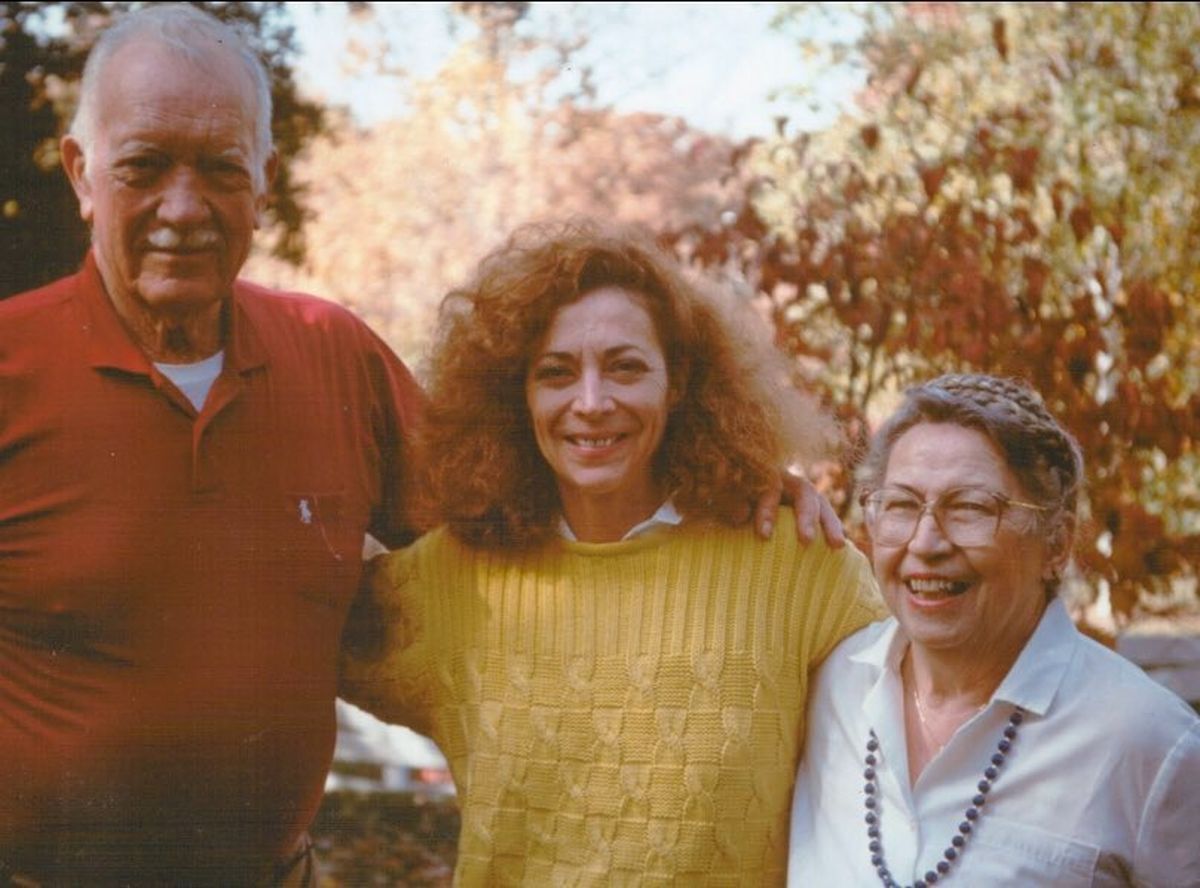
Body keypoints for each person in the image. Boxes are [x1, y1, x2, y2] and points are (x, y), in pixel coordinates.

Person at [0, 8, 840, 884]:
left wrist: (732, 480)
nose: (184, 206)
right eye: (143, 166)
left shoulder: (335, 357)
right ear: (81, 172)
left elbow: (532, 505)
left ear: (264, 180)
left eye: (220, 168)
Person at [339, 221, 884, 885]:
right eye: (556, 373)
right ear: (520, 393)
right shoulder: (453, 574)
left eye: (626, 368)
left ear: (678, 382)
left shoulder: (799, 566)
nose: (590, 404)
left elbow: (917, 758)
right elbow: (278, 627)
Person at [788, 374, 1200, 887]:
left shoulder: (1150, 744)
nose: (927, 542)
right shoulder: (826, 687)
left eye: (970, 508)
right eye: (900, 505)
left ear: (1056, 544)